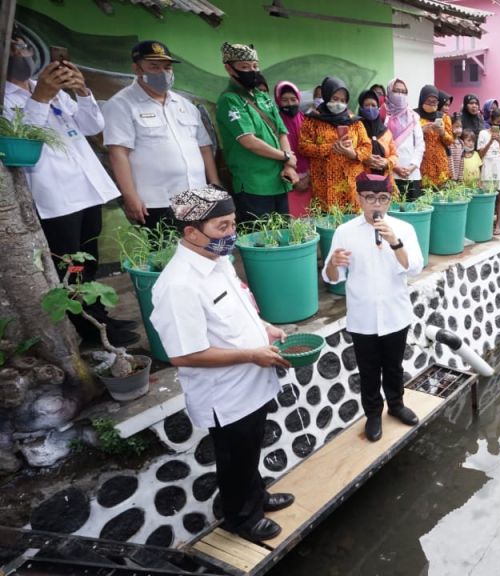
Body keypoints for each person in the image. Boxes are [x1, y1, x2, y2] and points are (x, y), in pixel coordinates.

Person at [150, 186, 295, 542]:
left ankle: (257, 496)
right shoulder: (178, 285)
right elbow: (183, 354)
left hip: (251, 382)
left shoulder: (219, 262)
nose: (231, 234)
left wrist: (266, 330)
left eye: (232, 224)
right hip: (226, 395)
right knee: (235, 459)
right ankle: (242, 519)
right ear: (191, 232)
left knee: (249, 453)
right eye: (222, 227)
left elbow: (240, 312)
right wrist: (251, 354)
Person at [5, 33, 138, 346]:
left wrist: (81, 91)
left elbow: (92, 127)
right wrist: (39, 98)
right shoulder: (6, 100)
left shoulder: (53, 90)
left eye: (22, 46)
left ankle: (99, 319)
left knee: (88, 261)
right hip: (55, 198)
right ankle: (86, 331)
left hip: (88, 190)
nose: (19, 53)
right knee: (71, 267)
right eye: (10, 48)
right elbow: (22, 144)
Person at [322, 174, 425, 442]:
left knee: (393, 366)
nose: (375, 204)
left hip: (395, 313)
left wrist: (395, 242)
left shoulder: (403, 228)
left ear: (390, 200)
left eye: (382, 198)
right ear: (359, 199)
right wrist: (334, 262)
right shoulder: (345, 232)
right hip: (363, 316)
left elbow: (414, 267)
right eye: (369, 198)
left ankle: (397, 405)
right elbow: (332, 277)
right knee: (368, 370)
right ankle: (373, 414)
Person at [103, 41, 218, 229]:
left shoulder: (185, 104)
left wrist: (214, 183)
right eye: (154, 66)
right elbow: (118, 153)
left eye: (167, 67)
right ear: (137, 68)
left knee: (199, 250)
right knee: (165, 254)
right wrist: (130, 196)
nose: (163, 72)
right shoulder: (121, 104)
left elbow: (204, 147)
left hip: (196, 195)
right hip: (157, 201)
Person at [215, 42, 298, 219]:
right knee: (260, 238)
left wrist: (289, 165)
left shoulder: (263, 97)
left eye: (255, 66)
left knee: (284, 235)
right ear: (229, 69)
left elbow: (282, 132)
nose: (252, 71)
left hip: (280, 179)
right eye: (244, 67)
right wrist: (285, 156)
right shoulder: (230, 100)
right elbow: (249, 142)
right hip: (254, 184)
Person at [299, 77, 370, 211]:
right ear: (326, 97)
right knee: (328, 225)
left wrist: (353, 153)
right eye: (335, 99)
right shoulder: (312, 121)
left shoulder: (355, 122)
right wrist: (330, 148)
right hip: (324, 184)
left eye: (343, 101)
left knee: (351, 225)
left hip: (351, 185)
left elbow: (367, 147)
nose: (339, 103)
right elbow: (303, 146)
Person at [273, 81, 311, 217]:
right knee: (293, 222)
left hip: (310, 180)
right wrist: (294, 181)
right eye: (284, 100)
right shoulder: (273, 123)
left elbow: (315, 152)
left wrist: (308, 178)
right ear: (278, 101)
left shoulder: (308, 121)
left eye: (293, 99)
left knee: (312, 219)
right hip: (286, 181)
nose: (289, 104)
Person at [385, 78, 425, 201]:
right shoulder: (383, 116)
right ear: (389, 92)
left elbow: (420, 145)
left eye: (404, 92)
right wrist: (395, 167)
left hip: (412, 173)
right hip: (391, 172)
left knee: (413, 213)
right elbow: (381, 147)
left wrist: (412, 167)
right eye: (396, 91)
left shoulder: (413, 117)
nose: (400, 95)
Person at [479, 108, 500, 234]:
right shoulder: (483, 134)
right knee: (487, 196)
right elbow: (480, 154)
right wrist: (491, 140)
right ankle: (486, 224)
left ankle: (498, 225)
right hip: (487, 165)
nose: (499, 125)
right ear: (491, 120)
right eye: (497, 122)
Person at [358, 89, 398, 189]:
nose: (370, 108)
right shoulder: (355, 129)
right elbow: (350, 152)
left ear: (378, 108)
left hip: (384, 182)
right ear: (361, 108)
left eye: (373, 105)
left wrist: (386, 162)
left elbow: (395, 155)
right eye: (367, 105)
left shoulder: (386, 132)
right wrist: (364, 158)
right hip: (361, 181)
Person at [415, 85, 453, 188]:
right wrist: (421, 131)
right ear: (422, 99)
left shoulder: (444, 117)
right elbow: (408, 139)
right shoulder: (414, 116)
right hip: (421, 162)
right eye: (429, 101)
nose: (432, 104)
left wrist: (442, 133)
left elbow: (450, 141)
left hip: (440, 164)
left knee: (440, 198)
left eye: (435, 102)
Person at [448, 116, 465, 181]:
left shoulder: (461, 143)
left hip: (458, 177)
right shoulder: (449, 142)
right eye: (457, 126)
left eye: (461, 127)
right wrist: (452, 177)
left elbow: (462, 161)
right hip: (450, 177)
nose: (459, 129)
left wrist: (460, 177)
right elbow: (450, 160)